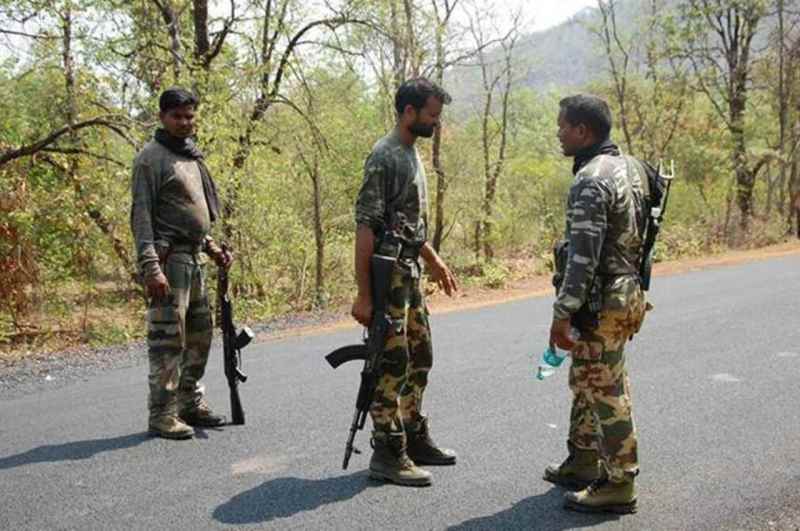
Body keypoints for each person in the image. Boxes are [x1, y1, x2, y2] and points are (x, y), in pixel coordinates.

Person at [351, 78, 459, 486]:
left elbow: (406, 225)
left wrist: (433, 260)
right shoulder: (384, 156)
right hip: (389, 278)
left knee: (420, 356)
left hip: (411, 274)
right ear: (409, 112)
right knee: (391, 365)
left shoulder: (411, 153)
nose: (436, 122)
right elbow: (367, 227)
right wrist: (364, 295)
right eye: (432, 115)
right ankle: (387, 450)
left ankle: (413, 434)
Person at [544, 94, 649, 513]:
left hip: (602, 299)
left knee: (604, 387)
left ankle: (620, 482)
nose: (558, 133)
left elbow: (582, 259)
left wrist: (562, 314)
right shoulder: (631, 168)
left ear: (582, 131)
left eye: (562, 126)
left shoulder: (591, 179)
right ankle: (584, 460)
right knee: (588, 376)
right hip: (625, 292)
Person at [130, 87, 233, 440]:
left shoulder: (190, 156)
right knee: (168, 341)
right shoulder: (150, 159)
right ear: (162, 117)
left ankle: (189, 403)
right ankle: (162, 414)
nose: (185, 122)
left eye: (189, 116)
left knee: (200, 336)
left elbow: (191, 215)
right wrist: (151, 268)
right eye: (177, 116)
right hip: (168, 261)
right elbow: (141, 217)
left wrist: (212, 248)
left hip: (194, 258)